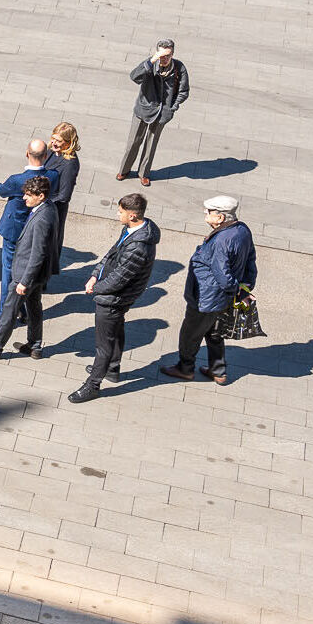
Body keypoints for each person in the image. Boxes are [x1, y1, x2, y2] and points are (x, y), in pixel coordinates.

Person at [68, 193, 159, 403]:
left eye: (121, 212)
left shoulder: (139, 245)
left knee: (103, 343)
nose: (118, 214)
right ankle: (111, 368)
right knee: (116, 329)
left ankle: (93, 385)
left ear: (133, 215)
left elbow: (120, 277)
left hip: (115, 297)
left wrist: (97, 288)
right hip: (114, 294)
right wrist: (94, 273)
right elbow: (111, 254)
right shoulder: (132, 230)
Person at [161, 196, 257, 386]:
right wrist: (245, 287)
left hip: (206, 297)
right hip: (223, 298)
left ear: (220, 218)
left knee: (190, 333)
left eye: (209, 212)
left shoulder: (221, 240)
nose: (205, 213)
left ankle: (185, 368)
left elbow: (222, 274)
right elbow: (250, 260)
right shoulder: (242, 230)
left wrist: (237, 289)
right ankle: (218, 370)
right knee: (215, 331)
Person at [0, 177, 56, 360]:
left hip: (26, 273)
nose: (24, 198)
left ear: (41, 196)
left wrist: (24, 281)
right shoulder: (49, 208)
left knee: (9, 310)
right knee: (34, 307)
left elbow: (38, 253)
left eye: (28, 195)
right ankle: (35, 345)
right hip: (37, 274)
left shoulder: (42, 218)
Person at [0, 139, 60, 322]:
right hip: (34, 230)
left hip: (14, 231)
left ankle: (5, 313)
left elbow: (1, 191)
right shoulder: (53, 176)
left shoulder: (17, 180)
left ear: (27, 153)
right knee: (27, 270)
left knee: (9, 272)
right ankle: (23, 311)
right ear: (45, 156)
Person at [120, 40, 189, 186]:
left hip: (162, 113)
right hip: (143, 109)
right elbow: (134, 77)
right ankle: (124, 170)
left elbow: (184, 91)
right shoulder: (150, 65)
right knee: (133, 142)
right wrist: (152, 60)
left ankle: (144, 173)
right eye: (161, 54)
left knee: (151, 145)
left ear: (173, 54)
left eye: (167, 55)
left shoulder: (179, 68)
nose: (164, 58)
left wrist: (172, 107)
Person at [48, 121, 81, 274]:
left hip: (53, 209)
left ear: (68, 142)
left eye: (59, 141)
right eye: (53, 138)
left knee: (48, 244)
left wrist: (42, 201)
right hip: (41, 202)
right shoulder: (50, 151)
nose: (54, 143)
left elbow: (64, 195)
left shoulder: (70, 164)